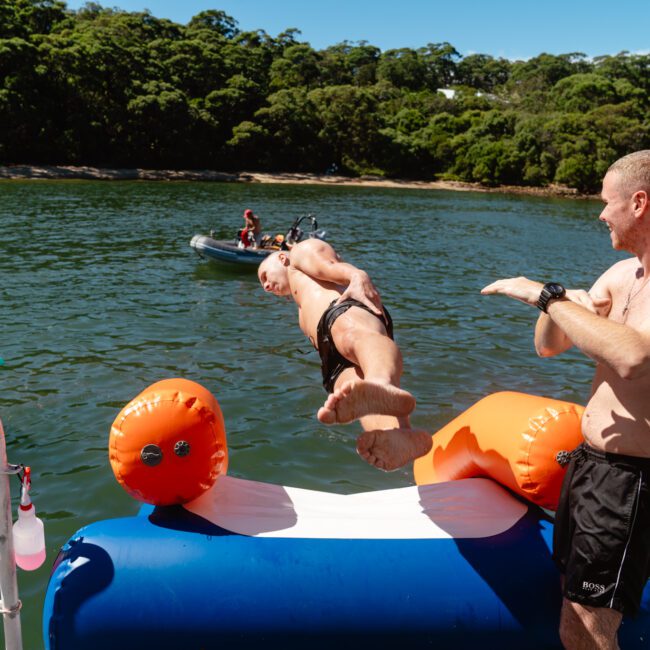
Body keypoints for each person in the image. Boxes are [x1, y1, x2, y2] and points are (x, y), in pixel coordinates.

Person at [481, 150, 650, 650]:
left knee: (594, 631)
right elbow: (549, 346)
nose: (600, 214)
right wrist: (560, 301)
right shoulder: (623, 276)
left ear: (639, 203)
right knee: (573, 615)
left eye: (607, 202)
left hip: (632, 482)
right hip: (592, 468)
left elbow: (633, 357)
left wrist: (543, 295)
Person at [257, 238, 432, 471]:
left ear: (281, 258)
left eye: (265, 276)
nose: (266, 286)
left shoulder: (298, 253)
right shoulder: (301, 307)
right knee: (354, 394)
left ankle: (380, 382)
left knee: (353, 337)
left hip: (343, 310)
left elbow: (327, 265)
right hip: (331, 354)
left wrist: (356, 276)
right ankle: (398, 436)